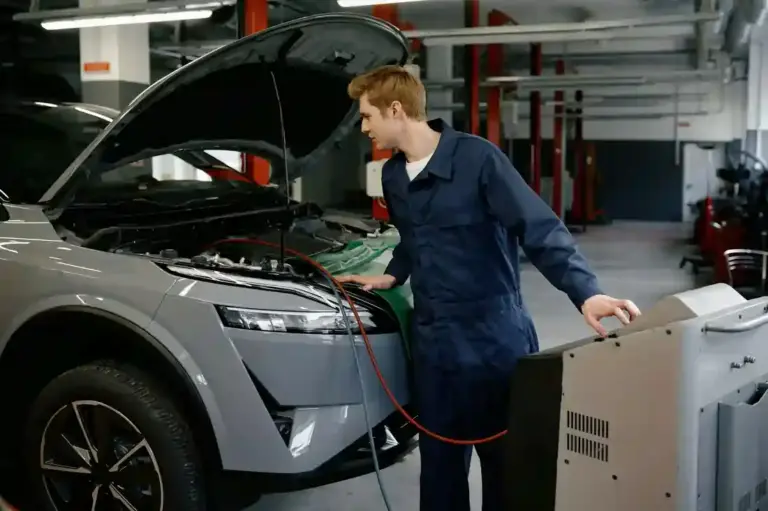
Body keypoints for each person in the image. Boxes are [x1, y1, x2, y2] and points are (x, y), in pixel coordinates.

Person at [338, 65, 641, 511]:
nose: (363, 127)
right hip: (435, 344)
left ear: (396, 109)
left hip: (492, 339)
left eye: (367, 116)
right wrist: (394, 274)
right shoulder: (393, 176)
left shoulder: (478, 159)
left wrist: (585, 291)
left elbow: (540, 228)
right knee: (440, 465)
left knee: (504, 463)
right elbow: (412, 235)